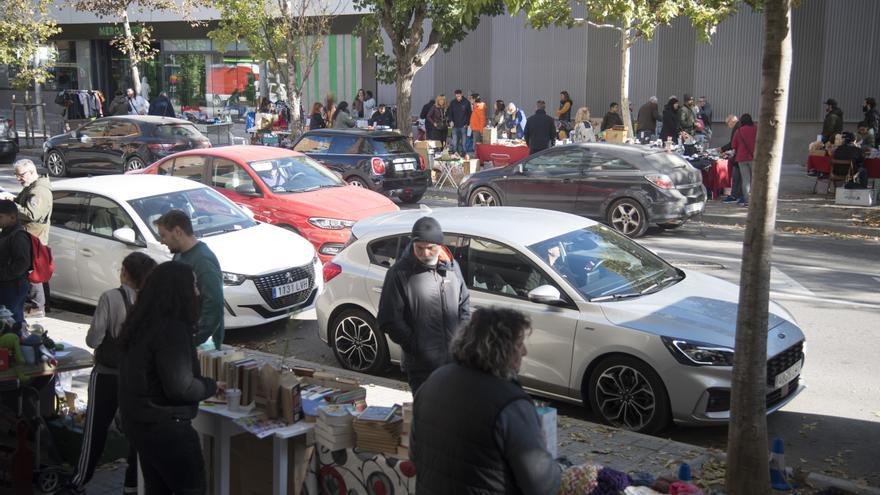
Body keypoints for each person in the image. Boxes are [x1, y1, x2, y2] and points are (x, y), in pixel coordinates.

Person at [411, 307, 561, 494]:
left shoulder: (434, 381)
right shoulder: (511, 403)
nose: (524, 351)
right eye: (519, 343)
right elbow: (542, 485)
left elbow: (415, 455)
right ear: (502, 348)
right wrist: (556, 465)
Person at [118, 261, 217, 495]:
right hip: (167, 429)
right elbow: (180, 387)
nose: (197, 292)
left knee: (158, 488)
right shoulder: (171, 329)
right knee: (190, 489)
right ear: (179, 291)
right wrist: (209, 386)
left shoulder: (140, 322)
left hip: (140, 424)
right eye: (193, 286)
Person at [68, 252, 157, 495]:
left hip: (107, 374)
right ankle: (132, 483)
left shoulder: (110, 298)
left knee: (95, 430)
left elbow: (94, 338)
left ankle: (79, 481)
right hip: (137, 377)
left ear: (125, 273)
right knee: (135, 432)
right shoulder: (151, 302)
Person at [377, 216, 469, 393]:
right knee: (427, 415)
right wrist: (417, 346)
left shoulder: (452, 268)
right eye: (420, 248)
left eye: (430, 248)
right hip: (421, 368)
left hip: (454, 363)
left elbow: (464, 304)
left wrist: (462, 339)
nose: (425, 253)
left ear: (440, 246)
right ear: (412, 244)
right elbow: (388, 319)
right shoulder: (399, 273)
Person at [153, 210, 224, 350]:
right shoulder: (180, 255)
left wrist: (194, 339)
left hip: (201, 346)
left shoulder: (203, 260)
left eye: (163, 235)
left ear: (178, 232)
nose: (161, 241)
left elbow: (214, 304)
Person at [1, 160, 52, 318]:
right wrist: (14, 199)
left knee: (34, 274)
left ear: (31, 172)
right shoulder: (31, 188)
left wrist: (12, 205)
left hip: (34, 237)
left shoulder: (40, 191)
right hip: (30, 236)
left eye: (21, 174)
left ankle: (39, 307)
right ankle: (40, 306)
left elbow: (32, 214)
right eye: (16, 175)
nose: (18, 178)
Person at [0, 200, 32, 325]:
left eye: (0, 217)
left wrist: (2, 274)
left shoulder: (18, 236)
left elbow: (22, 263)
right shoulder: (6, 232)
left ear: (12, 217)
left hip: (14, 286)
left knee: (13, 321)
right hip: (7, 284)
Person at [731, 113, 757, 207]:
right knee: (754, 179)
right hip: (754, 157)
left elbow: (733, 145)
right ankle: (755, 199)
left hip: (741, 158)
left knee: (745, 180)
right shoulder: (756, 129)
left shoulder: (739, 131)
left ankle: (747, 201)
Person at [720, 114, 743, 203]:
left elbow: (733, 143)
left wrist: (722, 149)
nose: (728, 126)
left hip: (739, 156)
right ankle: (737, 195)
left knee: (738, 176)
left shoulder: (737, 128)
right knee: (739, 177)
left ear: (731, 121)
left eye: (727, 123)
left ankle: (737, 195)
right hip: (741, 155)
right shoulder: (740, 127)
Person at [448, 89, 472, 156]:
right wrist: (450, 121)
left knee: (463, 142)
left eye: (459, 96)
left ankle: (464, 153)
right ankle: (455, 153)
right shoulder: (452, 102)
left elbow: (469, 114)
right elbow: (450, 113)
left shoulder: (466, 102)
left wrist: (467, 123)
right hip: (454, 125)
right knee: (455, 141)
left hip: (463, 125)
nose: (458, 98)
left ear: (461, 94)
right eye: (456, 96)